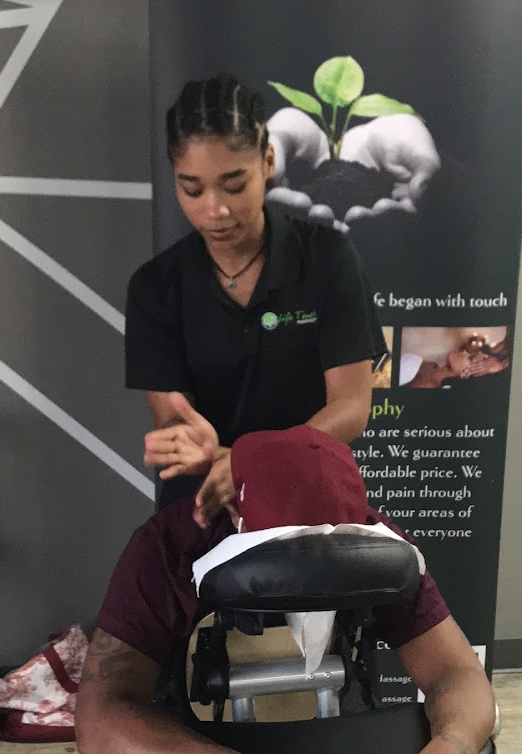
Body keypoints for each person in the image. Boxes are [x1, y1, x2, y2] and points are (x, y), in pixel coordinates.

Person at [74, 425, 495, 754]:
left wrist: (451, 752)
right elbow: (100, 718)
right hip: (194, 734)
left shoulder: (379, 545)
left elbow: (456, 673)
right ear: (236, 515)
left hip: (319, 727)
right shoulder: (166, 548)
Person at [126, 75, 385, 522]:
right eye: (192, 189)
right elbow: (175, 420)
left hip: (308, 505)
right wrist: (191, 444)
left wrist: (254, 463)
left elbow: (351, 407)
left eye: (233, 185)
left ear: (267, 162)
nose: (215, 210)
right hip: (204, 508)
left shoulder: (326, 258)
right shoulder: (155, 287)